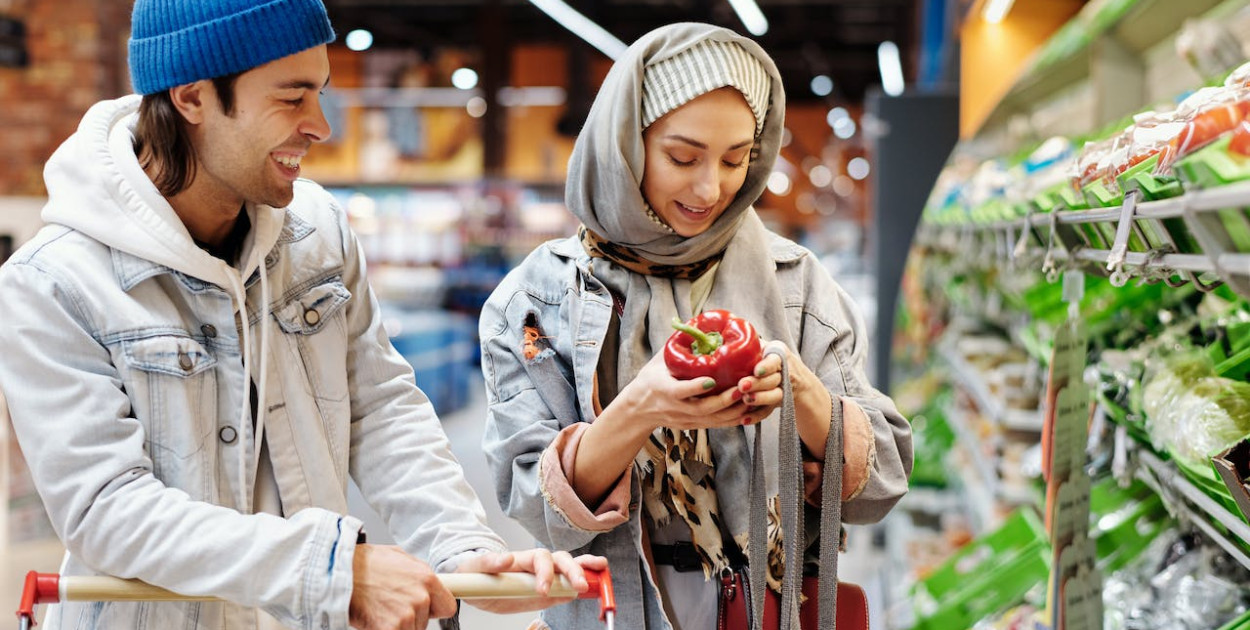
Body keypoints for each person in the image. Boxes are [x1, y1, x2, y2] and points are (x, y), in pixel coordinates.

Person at [0, 1, 603, 629]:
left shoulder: (318, 234)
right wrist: (333, 570)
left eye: (320, 93)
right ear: (192, 97)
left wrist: (462, 546)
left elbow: (380, 408)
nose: (320, 126)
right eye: (292, 98)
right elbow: (108, 511)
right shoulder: (54, 283)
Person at [479, 22, 913, 629]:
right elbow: (532, 503)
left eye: (737, 159)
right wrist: (639, 409)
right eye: (682, 157)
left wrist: (803, 394)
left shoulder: (797, 285)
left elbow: (883, 484)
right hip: (618, 611)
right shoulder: (533, 303)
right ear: (627, 146)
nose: (711, 188)